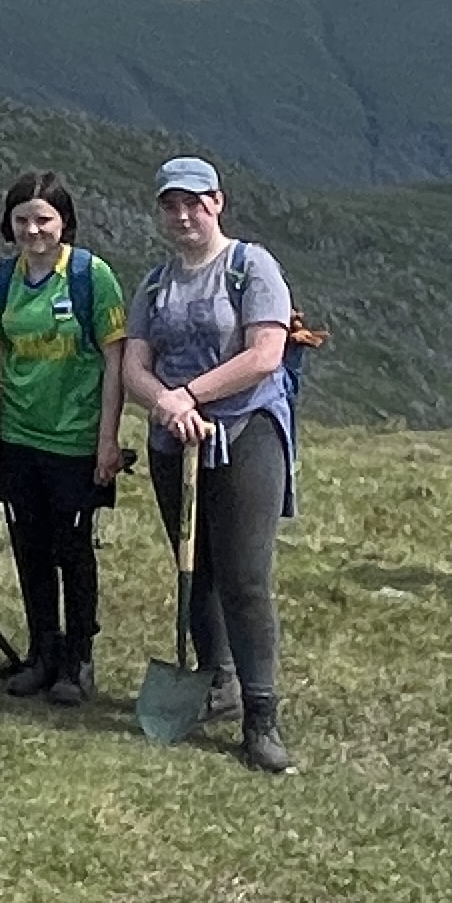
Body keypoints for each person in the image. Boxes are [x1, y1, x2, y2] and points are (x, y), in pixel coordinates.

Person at [122, 155, 309, 773]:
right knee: (193, 569)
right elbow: (133, 367)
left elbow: (265, 355)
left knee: (245, 577)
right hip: (176, 440)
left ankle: (262, 717)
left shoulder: (252, 269)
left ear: (217, 203)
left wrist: (189, 396)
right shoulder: (153, 284)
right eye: (170, 205)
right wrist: (168, 405)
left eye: (193, 202)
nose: (182, 215)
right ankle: (217, 683)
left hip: (247, 431)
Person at [0, 171, 127, 707]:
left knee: (74, 549)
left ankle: (77, 661)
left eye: (44, 218)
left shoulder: (91, 277)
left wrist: (108, 438)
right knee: (30, 547)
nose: (33, 229)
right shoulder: (1, 280)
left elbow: (115, 360)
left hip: (75, 438)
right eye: (22, 219)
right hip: (18, 434)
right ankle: (41, 653)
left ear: (64, 222)